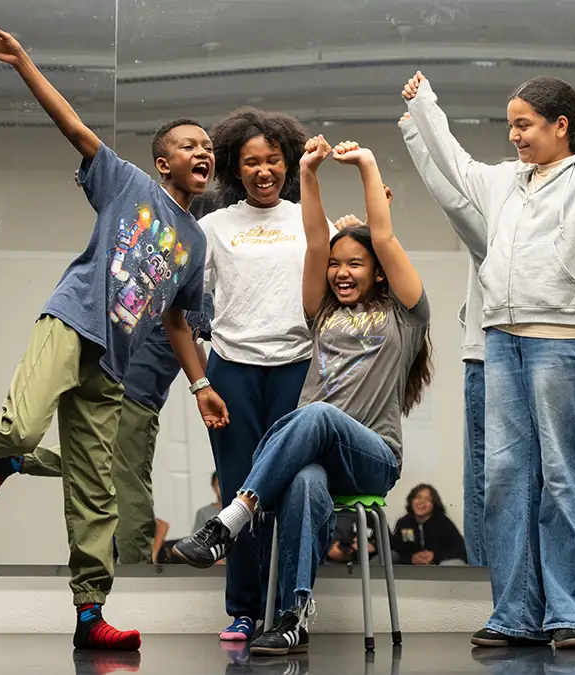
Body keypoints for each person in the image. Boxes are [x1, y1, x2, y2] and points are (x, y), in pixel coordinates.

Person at [0, 24, 228, 651]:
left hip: (113, 368)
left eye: (207, 146)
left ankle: (89, 618)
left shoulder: (196, 243)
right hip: (71, 323)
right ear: (162, 160)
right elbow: (73, 127)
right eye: (187, 144)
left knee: (98, 496)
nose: (202, 151)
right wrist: (21, 62)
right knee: (20, 430)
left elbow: (177, 318)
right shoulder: (128, 184)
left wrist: (200, 384)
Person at [402, 24, 575, 650]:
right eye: (511, 125)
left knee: (563, 479)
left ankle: (570, 614)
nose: (514, 135)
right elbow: (457, 168)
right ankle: (514, 613)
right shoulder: (503, 182)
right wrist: (423, 109)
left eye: (526, 125)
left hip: (564, 339)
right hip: (501, 342)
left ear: (562, 125)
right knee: (506, 481)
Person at [174, 135, 432, 657]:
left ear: (377, 270)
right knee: (307, 480)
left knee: (313, 413)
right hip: (321, 455)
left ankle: (232, 517)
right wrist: (308, 173)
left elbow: (380, 233)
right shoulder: (321, 315)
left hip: (372, 457)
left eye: (355, 264)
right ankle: (292, 617)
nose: (341, 271)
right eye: (337, 265)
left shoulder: (407, 314)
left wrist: (365, 161)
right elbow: (316, 239)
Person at [196, 107, 323, 642]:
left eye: (273, 160)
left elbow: (343, 271)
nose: (264, 170)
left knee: (288, 488)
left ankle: (286, 610)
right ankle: (245, 609)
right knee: (237, 491)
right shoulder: (213, 227)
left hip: (297, 368)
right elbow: (183, 304)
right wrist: (200, 378)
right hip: (232, 371)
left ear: (288, 163)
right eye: (252, 162)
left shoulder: (306, 217)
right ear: (235, 168)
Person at [0, 293, 214, 565]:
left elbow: (191, 343)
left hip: (114, 386)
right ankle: (141, 576)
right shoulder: (195, 285)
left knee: (95, 460)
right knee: (131, 485)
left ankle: (16, 460)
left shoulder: (167, 280)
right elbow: (186, 338)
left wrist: (210, 387)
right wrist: (207, 389)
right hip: (137, 397)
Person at [399, 111, 489, 567]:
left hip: (545, 349)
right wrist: (418, 131)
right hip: (489, 358)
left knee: (547, 481)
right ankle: (492, 584)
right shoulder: (494, 233)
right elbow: (455, 198)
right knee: (483, 480)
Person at [391, 483, 467, 566]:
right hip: (410, 568)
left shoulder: (443, 523)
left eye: (427, 499)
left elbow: (460, 550)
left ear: (433, 504)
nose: (421, 502)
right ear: (411, 500)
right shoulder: (404, 523)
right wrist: (411, 558)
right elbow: (396, 548)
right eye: (418, 497)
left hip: (439, 567)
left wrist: (434, 556)